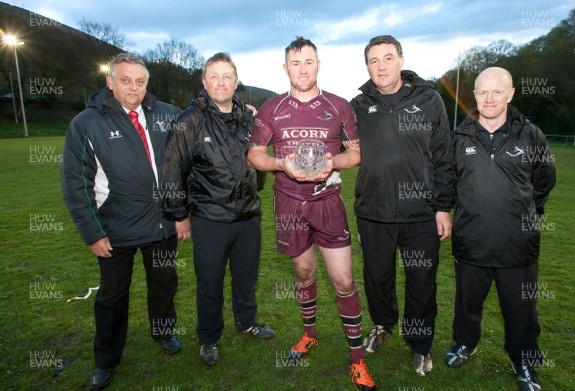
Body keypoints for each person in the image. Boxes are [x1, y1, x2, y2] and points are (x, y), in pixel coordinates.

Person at [247, 36, 376, 391]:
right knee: (304, 272)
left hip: (328, 202)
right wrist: (280, 164)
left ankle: (356, 360)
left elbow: (357, 152)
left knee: (344, 280)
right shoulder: (272, 108)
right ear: (285, 68)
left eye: (309, 62)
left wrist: (335, 160)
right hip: (288, 204)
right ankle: (310, 335)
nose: (302, 69)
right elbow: (254, 153)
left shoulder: (338, 106)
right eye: (295, 63)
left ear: (319, 65)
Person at [61, 53, 182, 390]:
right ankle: (106, 358)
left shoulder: (165, 114)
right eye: (125, 80)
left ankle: (164, 331)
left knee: (164, 283)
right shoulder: (86, 123)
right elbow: (75, 184)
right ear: (110, 82)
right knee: (112, 296)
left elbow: (189, 147)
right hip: (115, 230)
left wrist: (241, 113)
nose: (133, 87)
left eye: (140, 81)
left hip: (162, 225)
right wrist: (92, 233)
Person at [446, 67, 556, 391]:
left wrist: (522, 213)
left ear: (510, 94)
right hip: (471, 241)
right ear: (475, 96)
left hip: (517, 244)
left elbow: (544, 181)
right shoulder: (459, 137)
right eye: (483, 92)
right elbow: (449, 184)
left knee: (521, 310)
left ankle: (523, 362)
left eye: (497, 91)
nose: (490, 98)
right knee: (467, 303)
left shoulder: (531, 135)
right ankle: (465, 343)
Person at [350, 35, 454, 376]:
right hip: (374, 212)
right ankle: (382, 324)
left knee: (421, 281)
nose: (381, 65)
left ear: (401, 60)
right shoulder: (358, 105)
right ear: (367, 66)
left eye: (388, 58)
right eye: (374, 60)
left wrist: (443, 206)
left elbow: (443, 157)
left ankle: (420, 344)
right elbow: (331, 139)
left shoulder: (429, 100)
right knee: (377, 278)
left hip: (421, 214)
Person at [161, 52, 274, 367]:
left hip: (249, 215)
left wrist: (256, 187)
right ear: (204, 82)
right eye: (214, 76)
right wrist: (179, 214)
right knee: (209, 281)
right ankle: (208, 338)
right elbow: (171, 170)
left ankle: (246, 320)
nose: (221, 82)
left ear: (236, 81)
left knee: (246, 276)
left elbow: (259, 158)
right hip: (210, 218)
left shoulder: (249, 117)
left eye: (227, 76)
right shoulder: (189, 120)